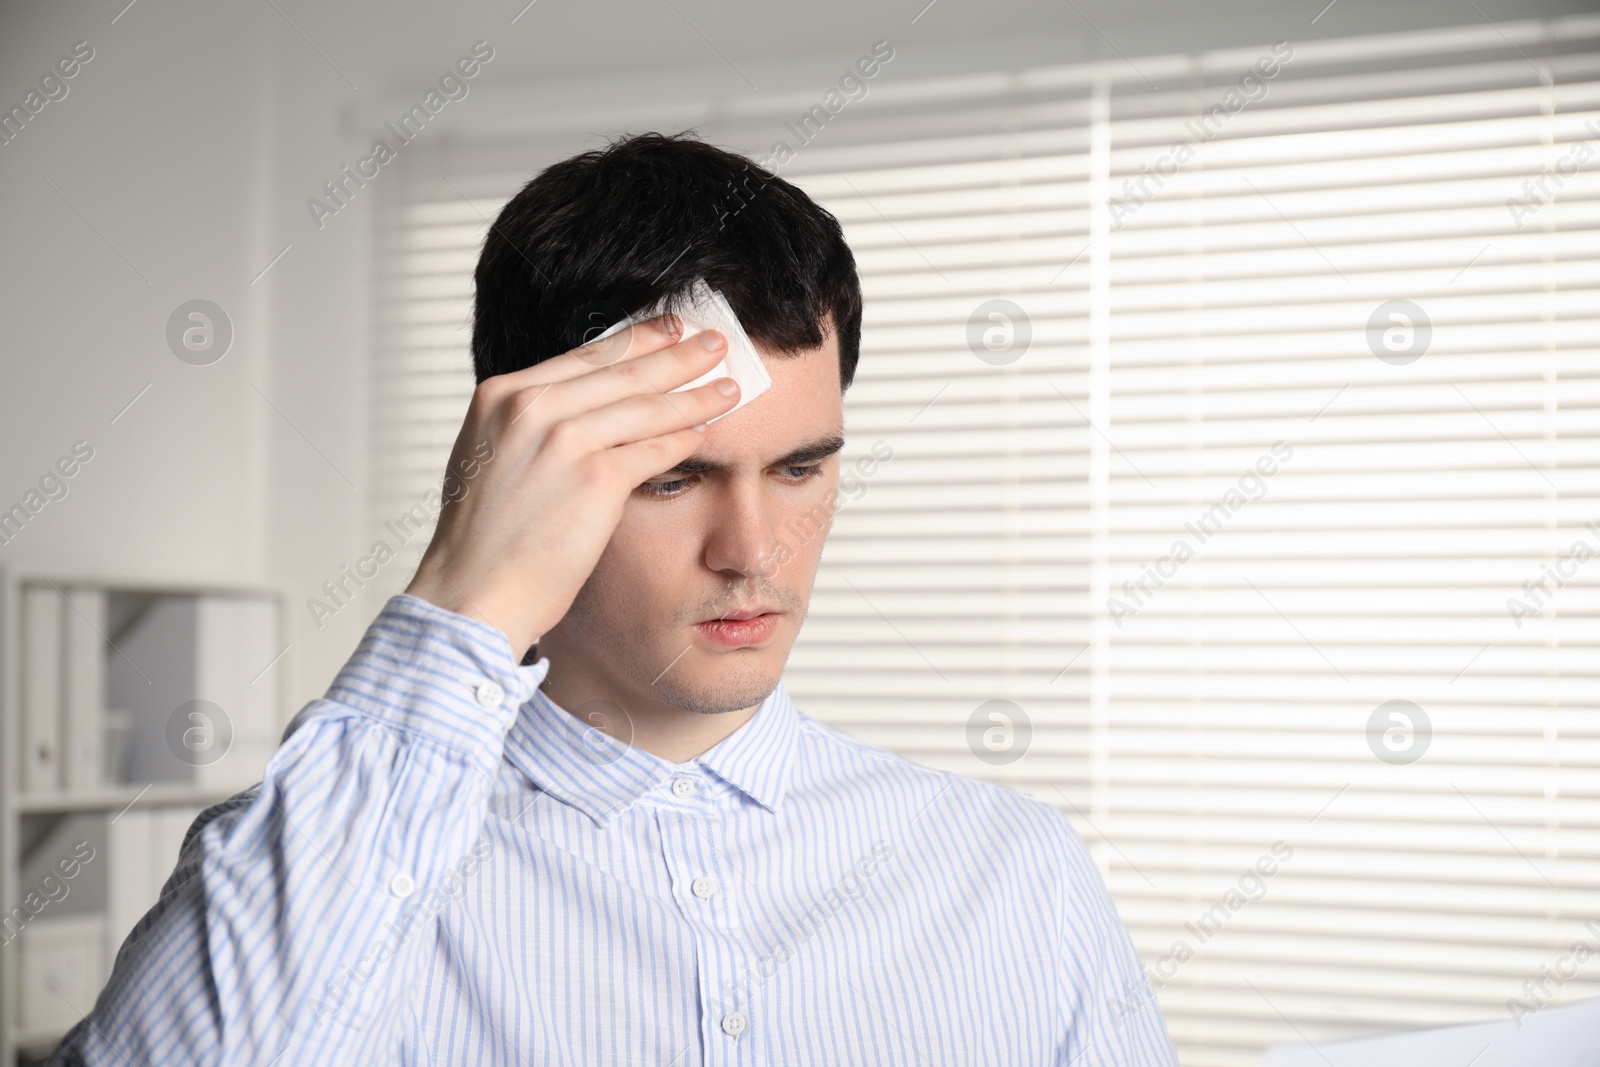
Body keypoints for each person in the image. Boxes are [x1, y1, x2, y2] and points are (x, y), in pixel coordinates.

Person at [49, 131, 1176, 1065]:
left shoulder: (1012, 870)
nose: (752, 550)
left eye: (799, 467)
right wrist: (465, 600)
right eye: (670, 476)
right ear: (535, 469)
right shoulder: (340, 872)